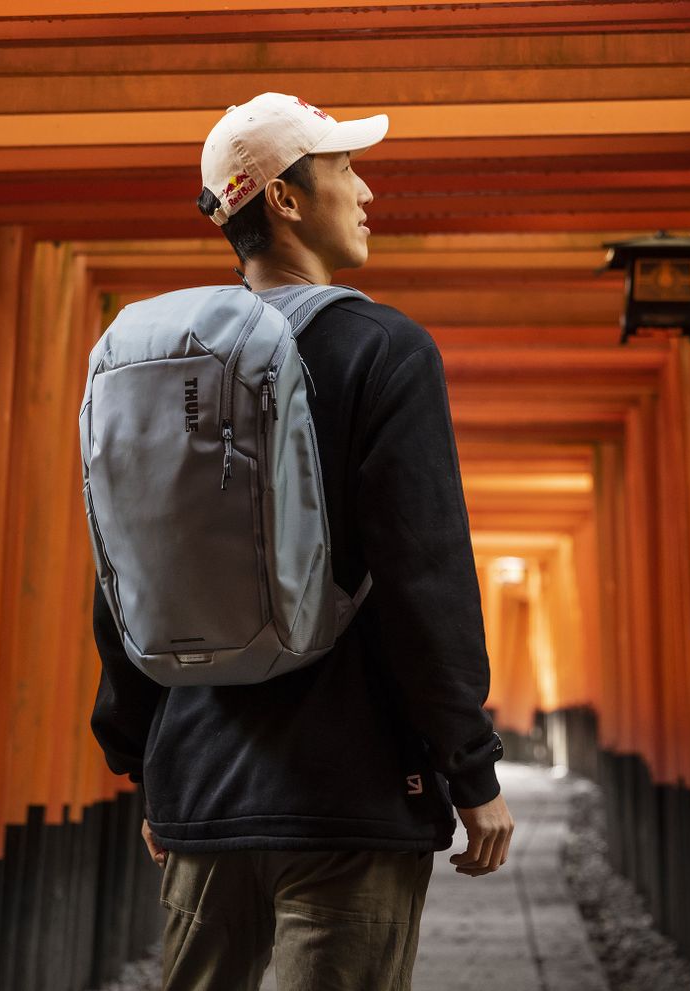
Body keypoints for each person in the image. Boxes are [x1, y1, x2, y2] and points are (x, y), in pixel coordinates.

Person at [89, 92, 515, 991]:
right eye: (345, 169)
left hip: (202, 786)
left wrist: (144, 762)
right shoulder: (382, 349)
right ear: (283, 199)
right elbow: (423, 576)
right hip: (346, 799)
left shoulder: (157, 362)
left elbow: (127, 570)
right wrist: (469, 768)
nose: (365, 192)